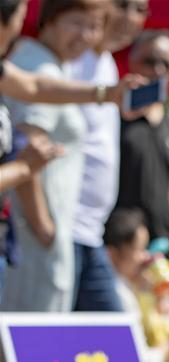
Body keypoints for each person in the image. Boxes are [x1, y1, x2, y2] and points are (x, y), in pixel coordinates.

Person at [1, 0, 106, 312]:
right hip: (32, 236)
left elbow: (33, 88)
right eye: (77, 22)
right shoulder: (38, 61)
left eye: (94, 26)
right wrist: (44, 226)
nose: (87, 35)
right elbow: (28, 140)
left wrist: (107, 94)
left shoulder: (38, 67)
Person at [69, 0, 147, 311]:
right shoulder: (72, 61)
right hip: (61, 230)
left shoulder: (108, 64)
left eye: (141, 9)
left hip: (91, 231)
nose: (130, 16)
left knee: (111, 334)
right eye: (122, 4)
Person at [114, 29, 169, 249]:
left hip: (160, 242)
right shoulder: (113, 113)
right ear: (132, 62)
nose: (159, 70)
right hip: (119, 243)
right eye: (150, 61)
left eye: (167, 65)